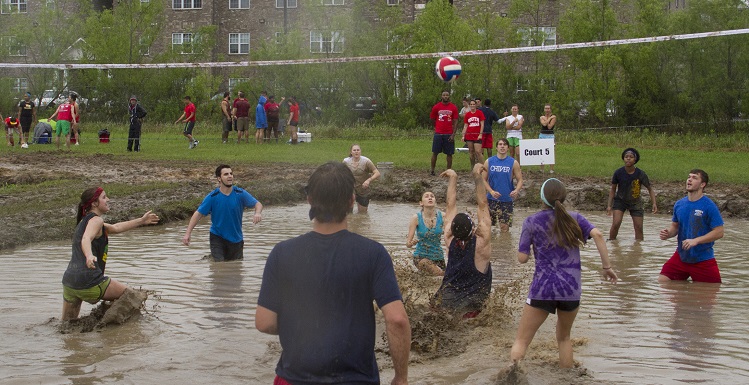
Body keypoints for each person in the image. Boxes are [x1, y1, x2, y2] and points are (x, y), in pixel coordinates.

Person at [255, 162, 410, 385]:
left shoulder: (282, 253)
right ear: (351, 201)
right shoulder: (373, 254)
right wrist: (401, 378)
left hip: (294, 378)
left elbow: (264, 322)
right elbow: (397, 320)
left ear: (309, 200)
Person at [509, 178, 618, 368]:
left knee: (522, 341)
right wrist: (607, 267)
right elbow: (599, 235)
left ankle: (513, 374)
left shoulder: (531, 221)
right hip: (571, 290)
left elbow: (522, 258)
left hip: (543, 289)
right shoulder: (574, 218)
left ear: (541, 197)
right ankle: (566, 378)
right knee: (564, 338)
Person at [61, 187, 160, 320]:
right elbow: (86, 239)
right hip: (90, 280)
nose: (108, 199)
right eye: (104, 197)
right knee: (134, 296)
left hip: (69, 282)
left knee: (67, 327)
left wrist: (141, 221)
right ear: (94, 203)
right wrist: (89, 255)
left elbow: (116, 228)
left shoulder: (84, 222)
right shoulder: (96, 221)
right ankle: (108, 328)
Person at [432, 165, 492, 318]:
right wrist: (477, 177)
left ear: (452, 229)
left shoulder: (449, 238)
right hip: (472, 306)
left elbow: (450, 206)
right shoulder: (482, 243)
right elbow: (483, 204)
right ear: (473, 228)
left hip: (446, 299)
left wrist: (453, 178)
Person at [182, 164, 263, 261]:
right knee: (219, 266)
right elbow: (198, 214)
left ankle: (208, 258)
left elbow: (258, 204)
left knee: (235, 268)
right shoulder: (212, 197)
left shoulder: (240, 193)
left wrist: (257, 213)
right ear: (219, 178)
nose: (230, 176)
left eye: (231, 173)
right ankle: (213, 257)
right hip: (217, 237)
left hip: (236, 238)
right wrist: (188, 233)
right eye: (226, 174)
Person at [658, 169, 724, 283]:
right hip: (681, 257)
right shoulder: (679, 204)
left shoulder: (709, 206)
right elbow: (675, 226)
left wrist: (696, 241)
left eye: (695, 178)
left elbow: (719, 232)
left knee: (712, 292)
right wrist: (668, 233)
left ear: (703, 184)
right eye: (689, 177)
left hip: (703, 259)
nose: (689, 179)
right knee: (663, 282)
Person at [607, 148, 657, 241]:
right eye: (626, 157)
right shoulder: (618, 172)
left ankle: (638, 248)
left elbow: (650, 189)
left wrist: (654, 203)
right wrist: (609, 206)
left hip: (635, 202)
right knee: (616, 224)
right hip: (620, 201)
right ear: (623, 159)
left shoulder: (641, 174)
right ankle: (611, 243)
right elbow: (613, 189)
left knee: (638, 227)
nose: (628, 159)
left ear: (635, 160)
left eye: (631, 157)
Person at [483, 138, 524, 232]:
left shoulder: (513, 162)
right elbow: (483, 180)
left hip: (507, 199)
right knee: (488, 228)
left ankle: (504, 246)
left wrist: (517, 190)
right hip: (491, 199)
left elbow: (520, 180)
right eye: (500, 144)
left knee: (504, 229)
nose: (502, 146)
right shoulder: (489, 162)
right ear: (496, 147)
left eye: (505, 144)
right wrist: (491, 191)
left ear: (508, 148)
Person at [406, 191, 446, 276]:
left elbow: (451, 235)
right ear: (421, 203)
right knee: (441, 274)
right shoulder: (416, 218)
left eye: (432, 196)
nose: (430, 198)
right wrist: (411, 243)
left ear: (435, 202)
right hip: (421, 257)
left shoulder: (443, 216)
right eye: (426, 196)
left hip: (438, 257)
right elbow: (408, 244)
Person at [343, 144, 381, 214]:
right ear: (351, 152)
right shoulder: (346, 161)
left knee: (362, 214)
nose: (356, 152)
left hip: (363, 188)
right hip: (351, 188)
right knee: (348, 214)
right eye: (354, 150)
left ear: (360, 151)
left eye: (358, 150)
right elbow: (340, 173)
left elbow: (377, 173)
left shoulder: (366, 161)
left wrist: (368, 180)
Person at [429, 91, 459, 176]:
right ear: (441, 96)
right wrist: (436, 128)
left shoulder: (453, 107)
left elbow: (456, 121)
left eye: (447, 95)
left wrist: (453, 134)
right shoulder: (436, 107)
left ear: (449, 96)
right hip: (438, 133)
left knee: (449, 154)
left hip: (449, 133)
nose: (445, 96)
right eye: (444, 95)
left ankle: (448, 171)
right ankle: (432, 170)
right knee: (435, 152)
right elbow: (432, 118)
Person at [461, 99, 486, 167]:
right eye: (471, 104)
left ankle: (483, 167)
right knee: (471, 152)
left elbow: (482, 124)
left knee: (478, 151)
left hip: (477, 135)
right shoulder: (467, 115)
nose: (472, 106)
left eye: (473, 104)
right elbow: (465, 125)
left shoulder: (479, 113)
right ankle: (473, 167)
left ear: (476, 105)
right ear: (469, 105)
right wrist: (463, 135)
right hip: (469, 135)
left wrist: (480, 134)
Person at [538, 104, 557, 174]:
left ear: (550, 109)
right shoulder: (542, 117)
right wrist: (549, 119)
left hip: (550, 135)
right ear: (544, 109)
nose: (547, 110)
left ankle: (551, 169)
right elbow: (544, 124)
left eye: (548, 108)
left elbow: (549, 127)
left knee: (551, 152)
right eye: (546, 108)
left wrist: (546, 120)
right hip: (542, 135)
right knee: (541, 151)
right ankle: (542, 169)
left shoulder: (554, 117)